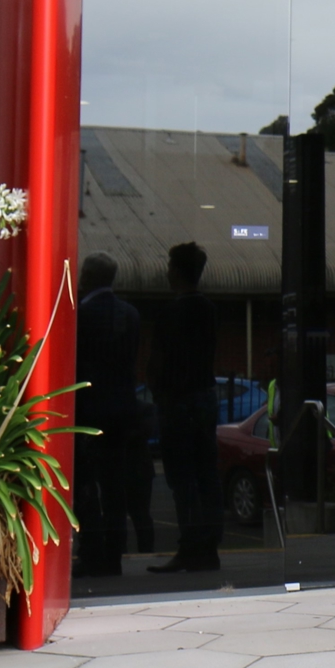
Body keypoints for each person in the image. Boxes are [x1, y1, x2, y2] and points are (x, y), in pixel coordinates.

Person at [147, 242, 222, 573]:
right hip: (204, 397)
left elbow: (158, 360)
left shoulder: (169, 313)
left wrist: (157, 389)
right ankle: (209, 545)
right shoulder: (209, 310)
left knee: (181, 476)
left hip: (177, 401)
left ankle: (190, 545)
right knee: (206, 473)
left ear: (176, 271)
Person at [73, 250, 141, 578]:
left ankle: (91, 553)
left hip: (88, 411)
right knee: (115, 485)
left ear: (86, 277)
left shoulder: (81, 315)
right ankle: (114, 554)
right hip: (122, 410)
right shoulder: (130, 314)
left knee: (86, 485)